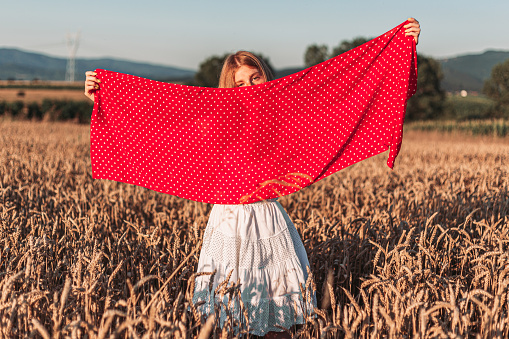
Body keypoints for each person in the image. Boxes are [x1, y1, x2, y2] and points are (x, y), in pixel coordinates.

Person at [84, 18, 420, 338]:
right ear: (227, 89)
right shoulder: (211, 119)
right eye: (239, 83)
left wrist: (402, 47)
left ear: (266, 78)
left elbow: (338, 98)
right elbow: (163, 130)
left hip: (267, 221)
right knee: (225, 318)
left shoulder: (283, 113)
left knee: (278, 322)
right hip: (226, 225)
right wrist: (104, 98)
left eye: (254, 79)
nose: (248, 88)